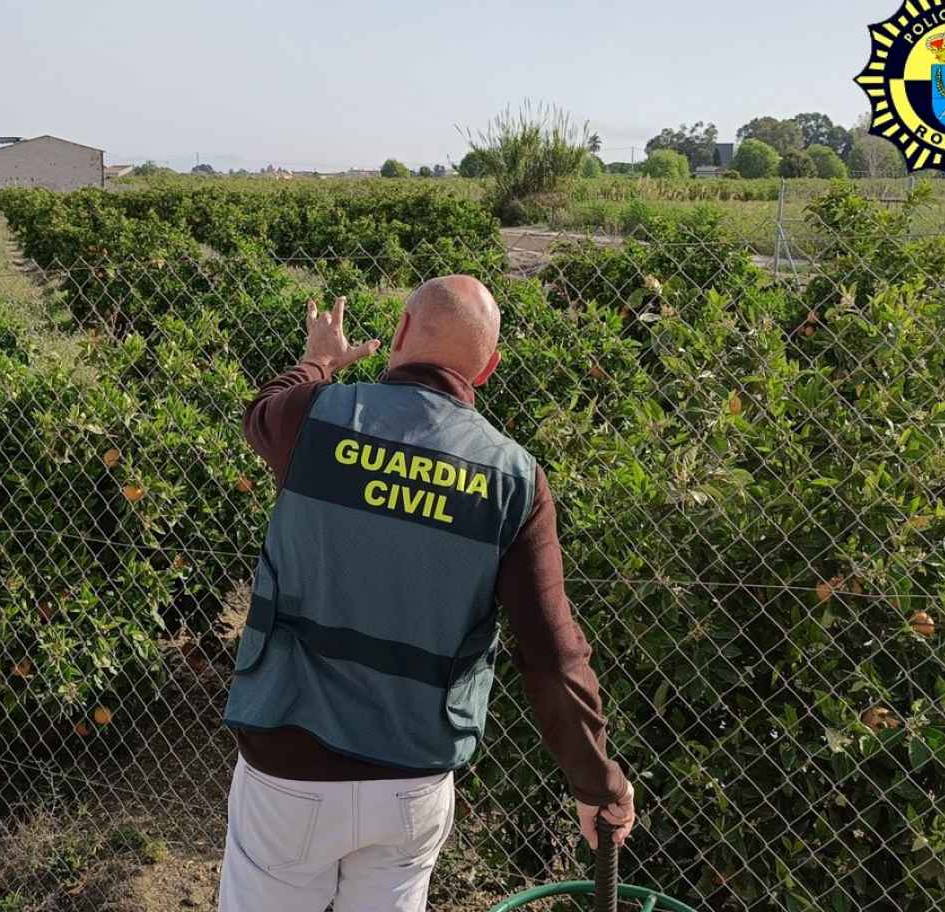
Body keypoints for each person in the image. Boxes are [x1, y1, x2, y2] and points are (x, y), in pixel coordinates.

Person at [219, 276, 635, 912]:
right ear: (489, 368)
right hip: (409, 781)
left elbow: (263, 409)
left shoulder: (314, 417)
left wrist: (320, 359)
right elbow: (552, 657)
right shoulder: (515, 482)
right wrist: (597, 784)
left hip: (288, 765)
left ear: (400, 336)